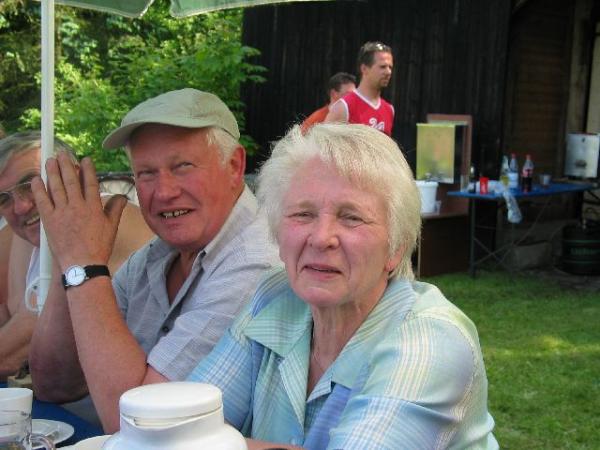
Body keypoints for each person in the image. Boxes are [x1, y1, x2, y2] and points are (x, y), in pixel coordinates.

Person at [187, 123, 498, 450]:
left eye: (351, 217)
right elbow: (179, 426)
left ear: (396, 247)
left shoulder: (431, 340)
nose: (321, 238)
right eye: (303, 214)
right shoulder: (274, 296)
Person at [29, 88, 280, 432]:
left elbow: (139, 426)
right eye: (146, 173)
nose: (164, 192)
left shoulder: (256, 262)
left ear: (234, 166)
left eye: (182, 166)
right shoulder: (156, 255)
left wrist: (84, 264)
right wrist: (70, 257)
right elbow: (53, 383)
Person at [0, 131, 153, 383]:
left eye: (30, 185)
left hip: (123, 394)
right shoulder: (29, 235)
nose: (20, 207)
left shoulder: (106, 221)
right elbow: (13, 313)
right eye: (3, 199)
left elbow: (23, 342)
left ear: (74, 175)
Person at [325, 41, 395, 136]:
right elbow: (323, 143)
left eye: (390, 67)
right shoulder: (344, 107)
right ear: (364, 69)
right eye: (382, 67)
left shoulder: (389, 110)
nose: (388, 72)